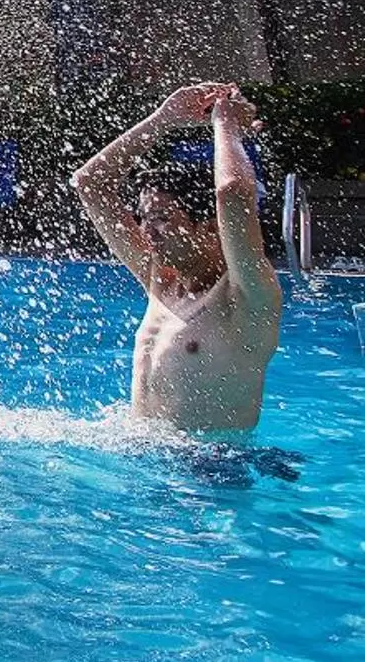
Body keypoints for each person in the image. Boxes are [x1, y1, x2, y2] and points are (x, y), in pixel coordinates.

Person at [70, 83, 282, 432]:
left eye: (163, 219)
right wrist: (162, 120)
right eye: (144, 218)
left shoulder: (246, 297)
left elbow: (232, 195)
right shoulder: (162, 281)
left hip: (211, 473)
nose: (146, 231)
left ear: (210, 228)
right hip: (143, 461)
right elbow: (89, 184)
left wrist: (225, 124)